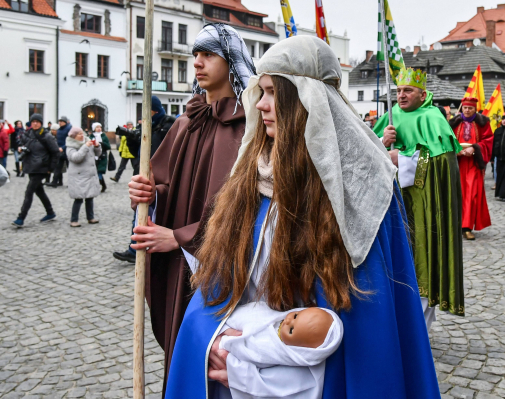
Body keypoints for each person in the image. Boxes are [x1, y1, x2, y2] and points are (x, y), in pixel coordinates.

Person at [165, 35, 440, 399]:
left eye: (273, 93)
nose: (260, 105)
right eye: (259, 92)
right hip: (234, 365)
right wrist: (214, 346)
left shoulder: (362, 190)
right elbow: (220, 286)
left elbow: (365, 333)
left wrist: (260, 377)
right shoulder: (251, 178)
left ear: (307, 99)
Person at [123, 23, 253, 391]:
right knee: (181, 350)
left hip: (221, 267)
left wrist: (181, 237)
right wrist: (146, 193)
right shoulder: (185, 123)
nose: (197, 62)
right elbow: (161, 186)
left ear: (231, 62)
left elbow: (245, 207)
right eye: (195, 54)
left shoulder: (250, 128)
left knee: (218, 360)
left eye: (208, 54)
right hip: (179, 267)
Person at [372, 66, 464, 321]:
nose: (401, 96)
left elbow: (443, 163)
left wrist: (401, 158)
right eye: (399, 90)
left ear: (422, 95)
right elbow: (365, 152)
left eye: (408, 91)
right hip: (392, 204)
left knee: (422, 259)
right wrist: (381, 142)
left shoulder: (433, 118)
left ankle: (420, 324)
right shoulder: (390, 117)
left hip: (424, 205)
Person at [217, 303, 343, 399]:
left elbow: (255, 355)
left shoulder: (276, 353)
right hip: (223, 327)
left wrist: (228, 346)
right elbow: (257, 313)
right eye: (295, 315)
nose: (287, 321)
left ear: (299, 350)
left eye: (291, 330)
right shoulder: (277, 318)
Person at [112, 95, 176, 263]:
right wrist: (133, 139)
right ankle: (135, 249)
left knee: (148, 211)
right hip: (142, 173)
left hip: (160, 177)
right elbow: (136, 152)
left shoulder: (167, 125)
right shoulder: (146, 127)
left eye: (149, 111)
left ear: (155, 110)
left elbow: (167, 151)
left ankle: (139, 248)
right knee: (140, 210)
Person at [448, 97, 493, 239]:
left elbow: (488, 141)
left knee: (471, 194)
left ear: (475, 109)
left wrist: (474, 149)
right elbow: (447, 138)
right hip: (458, 163)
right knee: (457, 192)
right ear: (461, 108)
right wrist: (456, 150)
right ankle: (455, 225)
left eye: (470, 108)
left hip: (474, 163)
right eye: (465, 108)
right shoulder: (453, 123)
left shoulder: (483, 123)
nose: (467, 110)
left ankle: (466, 227)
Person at [11, 114, 58, 227]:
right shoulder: (28, 134)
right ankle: (50, 212)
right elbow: (24, 144)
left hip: (41, 167)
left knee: (29, 191)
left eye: (37, 121)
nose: (35, 123)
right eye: (33, 122)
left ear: (41, 123)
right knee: (39, 191)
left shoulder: (47, 136)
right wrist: (21, 148)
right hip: (30, 166)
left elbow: (55, 152)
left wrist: (50, 169)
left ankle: (21, 218)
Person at [65, 126, 101, 227]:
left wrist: (97, 146)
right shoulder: (70, 146)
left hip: (89, 175)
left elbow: (98, 154)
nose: (82, 135)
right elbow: (76, 158)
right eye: (79, 134)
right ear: (74, 136)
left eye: (82, 133)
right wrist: (85, 146)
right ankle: (74, 219)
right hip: (78, 176)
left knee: (90, 197)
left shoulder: (88, 141)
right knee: (79, 198)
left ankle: (90, 217)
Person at [48, 116, 71, 187]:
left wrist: (63, 147)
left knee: (70, 168)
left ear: (65, 122)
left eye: (61, 121)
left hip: (67, 151)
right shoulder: (60, 130)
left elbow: (69, 141)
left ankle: (71, 183)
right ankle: (54, 182)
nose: (60, 123)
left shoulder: (69, 129)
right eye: (59, 121)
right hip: (60, 151)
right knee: (57, 167)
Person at [89, 123, 111, 193]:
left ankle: (97, 186)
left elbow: (108, 146)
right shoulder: (91, 136)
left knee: (99, 171)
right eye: (97, 127)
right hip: (93, 157)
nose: (99, 128)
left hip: (102, 156)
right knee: (95, 171)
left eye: (100, 127)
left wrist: (101, 144)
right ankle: (103, 185)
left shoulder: (104, 136)